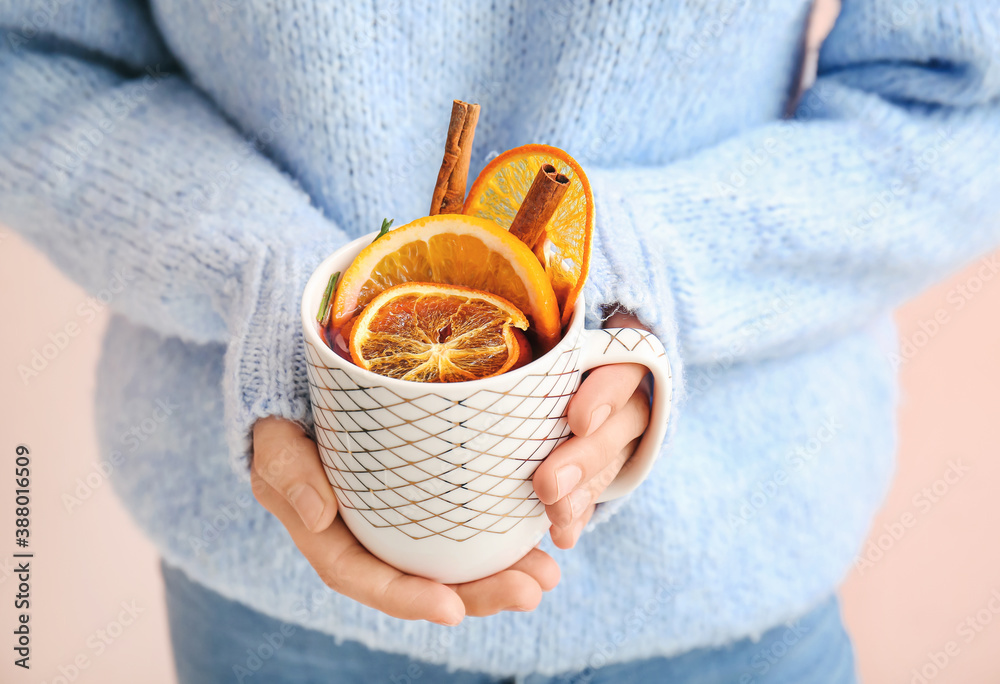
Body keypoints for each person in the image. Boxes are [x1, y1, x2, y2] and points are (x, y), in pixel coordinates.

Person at [2, 0, 998, 682]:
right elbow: (30, 57)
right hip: (269, 604)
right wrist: (265, 282)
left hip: (727, 574)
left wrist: (636, 274)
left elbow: (963, 101)